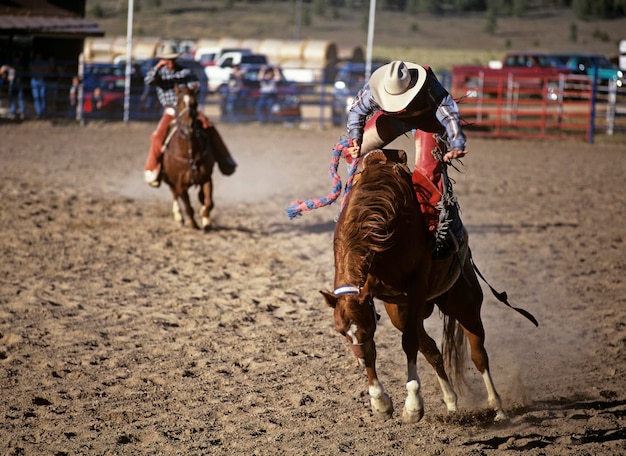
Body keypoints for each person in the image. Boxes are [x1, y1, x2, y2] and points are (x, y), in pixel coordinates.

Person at [342, 60, 468, 256]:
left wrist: (457, 143)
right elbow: (357, 111)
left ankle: (436, 230)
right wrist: (355, 139)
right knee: (351, 154)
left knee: (427, 175)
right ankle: (355, 212)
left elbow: (449, 114)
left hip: (428, 121)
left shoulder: (430, 88)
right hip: (393, 119)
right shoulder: (373, 91)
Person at [143, 46, 237, 187]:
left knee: (209, 127)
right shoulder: (159, 74)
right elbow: (149, 81)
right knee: (158, 136)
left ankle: (225, 160)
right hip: (171, 111)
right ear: (163, 60)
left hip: (188, 109)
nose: (171, 63)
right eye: (167, 60)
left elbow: (196, 86)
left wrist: (191, 90)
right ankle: (152, 169)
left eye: (173, 59)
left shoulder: (185, 72)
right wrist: (158, 67)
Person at [29, 53, 49, 119]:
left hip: (41, 80)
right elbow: (32, 69)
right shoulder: (32, 62)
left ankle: (43, 111)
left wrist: (38, 69)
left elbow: (46, 70)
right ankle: (39, 113)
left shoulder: (44, 63)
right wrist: (40, 69)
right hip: (34, 80)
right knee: (36, 97)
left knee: (42, 96)